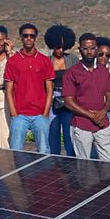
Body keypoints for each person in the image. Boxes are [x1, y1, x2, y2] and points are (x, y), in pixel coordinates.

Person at [62, 33, 110, 161]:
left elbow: (109, 96)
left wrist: (102, 112)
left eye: (92, 48)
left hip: (102, 124)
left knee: (107, 161)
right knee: (83, 164)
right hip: (81, 125)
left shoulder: (103, 70)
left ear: (97, 49)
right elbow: (68, 102)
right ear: (80, 50)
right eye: (85, 48)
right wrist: (92, 116)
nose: (89, 52)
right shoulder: (72, 73)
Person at [5, 23, 55, 153]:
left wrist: (45, 113)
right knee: (15, 151)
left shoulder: (45, 61)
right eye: (25, 35)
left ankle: (44, 174)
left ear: (35, 38)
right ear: (21, 38)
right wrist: (14, 113)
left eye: (31, 36)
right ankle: (16, 174)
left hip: (40, 115)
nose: (28, 38)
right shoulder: (13, 61)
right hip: (19, 115)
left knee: (44, 150)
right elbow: (9, 90)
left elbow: (49, 89)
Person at [45, 24, 79, 156]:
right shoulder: (47, 61)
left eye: (63, 47)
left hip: (69, 98)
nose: (60, 50)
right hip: (52, 97)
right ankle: (54, 159)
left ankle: (71, 160)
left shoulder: (73, 59)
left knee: (68, 132)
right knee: (52, 131)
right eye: (57, 46)